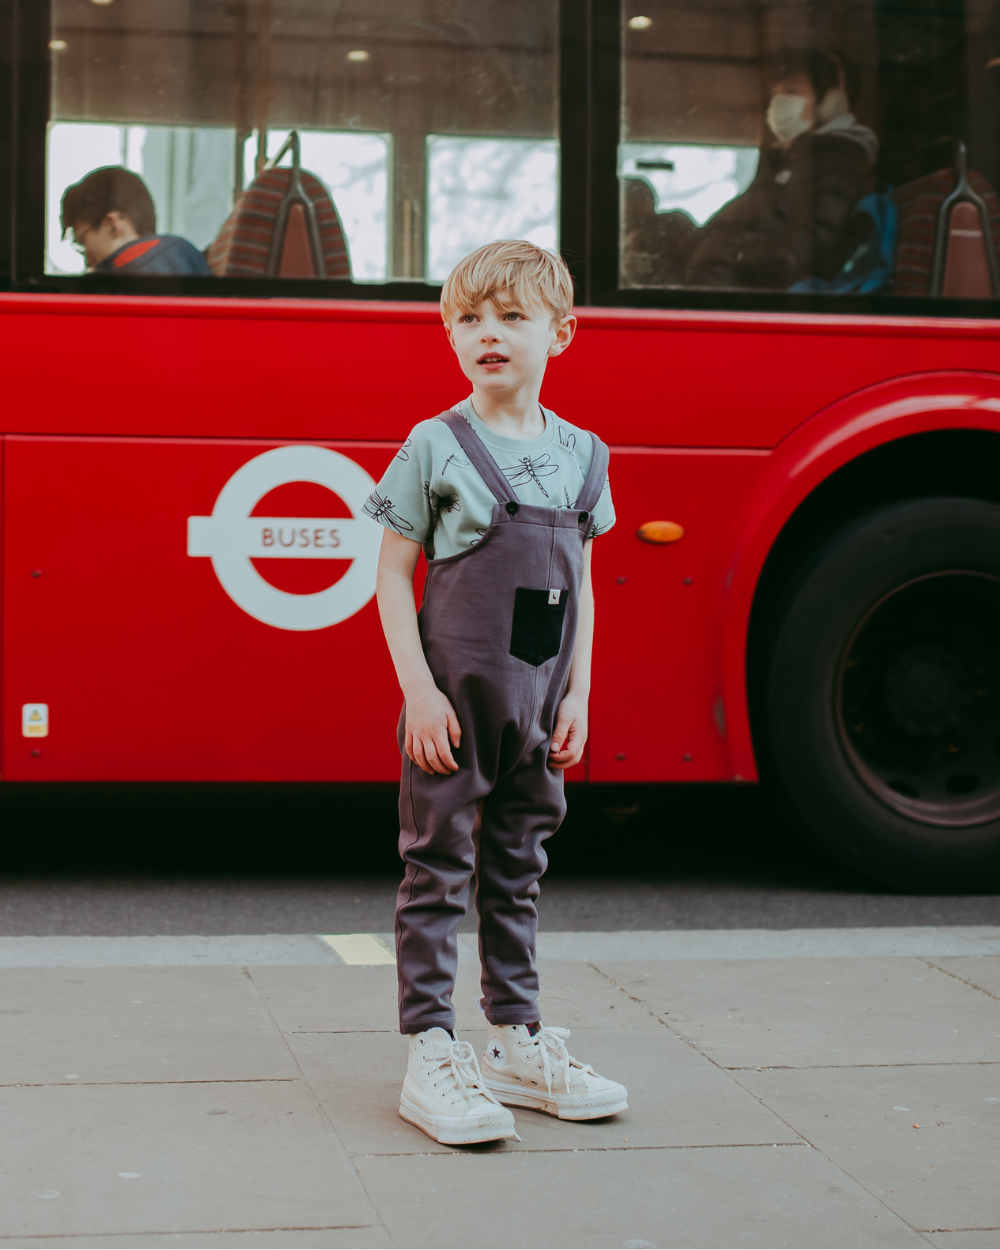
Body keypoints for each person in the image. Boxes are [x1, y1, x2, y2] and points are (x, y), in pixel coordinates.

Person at [366, 239, 628, 1146]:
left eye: (513, 317)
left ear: (561, 333)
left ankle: (516, 1038)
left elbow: (582, 584)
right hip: (456, 704)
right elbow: (391, 575)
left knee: (518, 870)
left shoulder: (585, 454)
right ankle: (432, 1050)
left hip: (539, 704)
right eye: (469, 318)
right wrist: (420, 692)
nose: (489, 333)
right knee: (436, 870)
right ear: (448, 333)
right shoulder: (436, 444)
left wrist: (577, 695)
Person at [685, 48, 879, 290]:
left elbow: (813, 252)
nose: (778, 103)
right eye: (775, 94)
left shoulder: (838, 164)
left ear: (831, 102)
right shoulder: (786, 162)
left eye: (791, 92)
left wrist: (729, 253)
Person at [61, 167, 211, 275]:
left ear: (112, 226)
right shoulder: (185, 251)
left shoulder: (115, 280)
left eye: (82, 241)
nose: (87, 259)